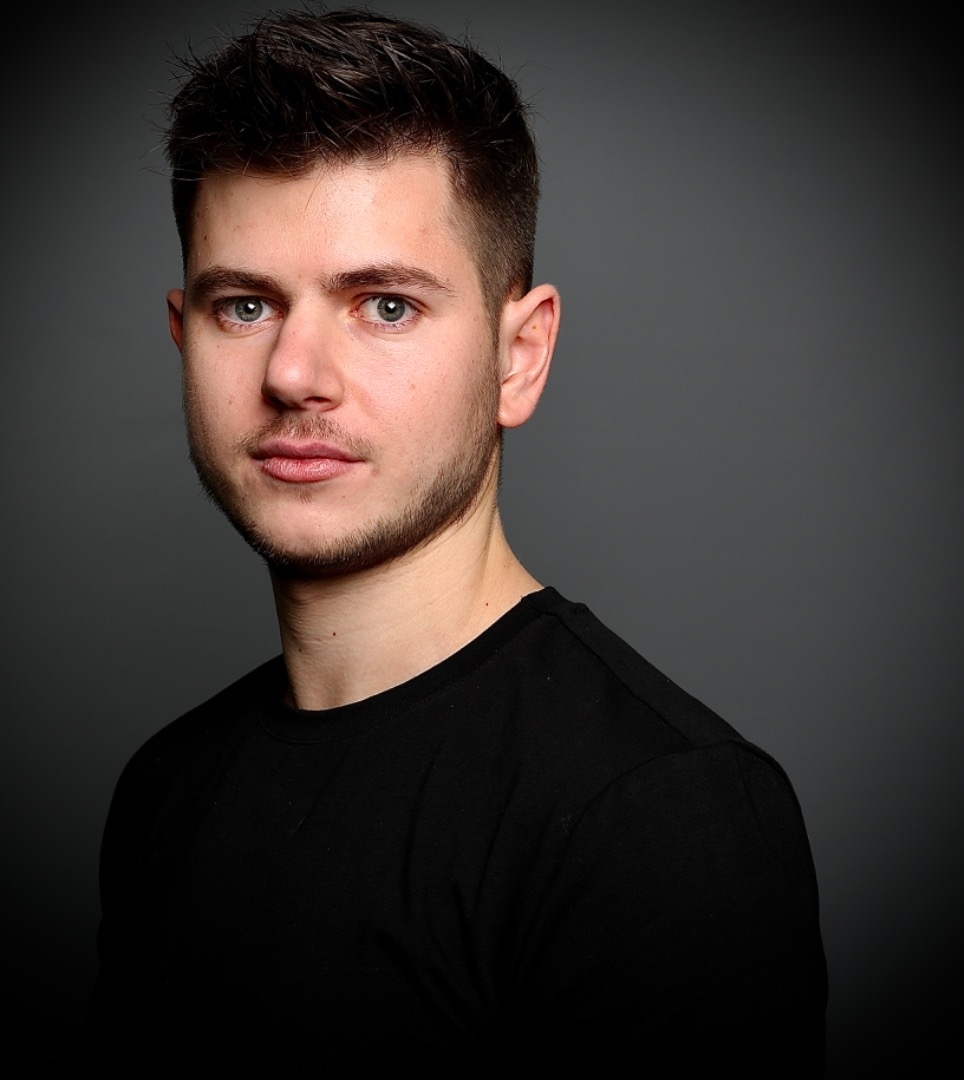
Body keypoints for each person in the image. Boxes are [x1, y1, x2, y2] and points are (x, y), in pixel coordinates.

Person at [81, 6, 827, 1074]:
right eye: (243, 306)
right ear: (182, 334)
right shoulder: (166, 789)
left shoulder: (659, 816)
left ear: (519, 357)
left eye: (384, 306)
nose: (293, 374)